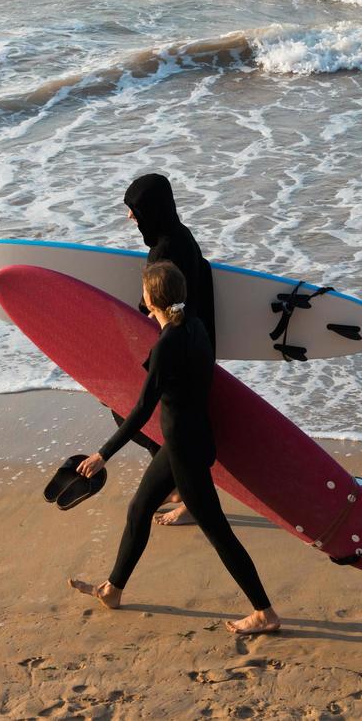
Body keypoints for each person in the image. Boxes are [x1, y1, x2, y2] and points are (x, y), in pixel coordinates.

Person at [69, 262, 281, 637]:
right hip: (190, 439)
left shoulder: (168, 343)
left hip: (185, 449)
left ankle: (264, 612)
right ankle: (113, 589)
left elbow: (142, 408)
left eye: (145, 291)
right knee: (139, 508)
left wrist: (104, 454)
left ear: (152, 298)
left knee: (218, 532)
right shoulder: (195, 327)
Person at [115, 173, 217, 526]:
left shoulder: (165, 250)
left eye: (135, 209)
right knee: (164, 421)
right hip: (194, 341)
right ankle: (176, 482)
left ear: (153, 210)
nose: (130, 216)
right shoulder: (177, 235)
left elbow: (153, 306)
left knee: (134, 410)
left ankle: (185, 493)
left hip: (179, 351)